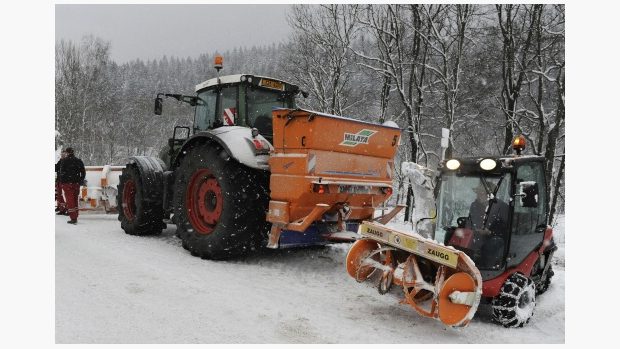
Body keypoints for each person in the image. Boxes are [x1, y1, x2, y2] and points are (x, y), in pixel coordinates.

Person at [467, 181, 510, 267]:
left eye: (482, 193)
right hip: (476, 239)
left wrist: (490, 233)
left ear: (490, 195)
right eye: (478, 192)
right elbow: (470, 222)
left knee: (493, 244)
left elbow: (506, 231)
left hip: (494, 242)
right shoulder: (474, 206)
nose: (479, 195)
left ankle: (487, 269)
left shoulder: (502, 207)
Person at [58, 147, 86, 224]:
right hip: (76, 183)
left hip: (67, 184)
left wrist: (62, 183)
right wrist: (80, 180)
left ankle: (73, 218)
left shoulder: (64, 161)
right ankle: (75, 215)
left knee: (70, 201)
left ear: (67, 153)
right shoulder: (78, 161)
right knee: (75, 199)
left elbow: (62, 173)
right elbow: (83, 172)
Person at [55, 150, 67, 214]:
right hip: (59, 180)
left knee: (65, 196)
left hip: (65, 182)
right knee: (59, 195)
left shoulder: (67, 161)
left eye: (64, 154)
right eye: (62, 154)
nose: (62, 155)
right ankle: (61, 209)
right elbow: (56, 168)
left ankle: (66, 209)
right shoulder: (60, 161)